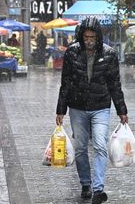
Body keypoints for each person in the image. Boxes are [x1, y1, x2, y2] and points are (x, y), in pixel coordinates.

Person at [56, 17, 128, 204]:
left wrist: (122, 110)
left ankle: (98, 189)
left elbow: (115, 84)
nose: (89, 41)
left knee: (100, 145)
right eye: (86, 37)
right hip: (77, 107)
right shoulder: (72, 53)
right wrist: (61, 110)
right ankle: (85, 184)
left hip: (101, 107)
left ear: (98, 37)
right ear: (81, 36)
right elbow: (66, 82)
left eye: (92, 37)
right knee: (80, 148)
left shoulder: (109, 54)